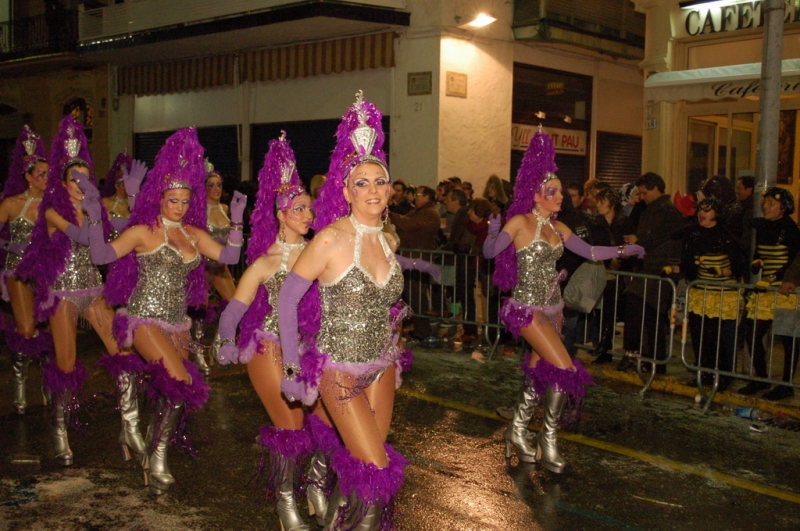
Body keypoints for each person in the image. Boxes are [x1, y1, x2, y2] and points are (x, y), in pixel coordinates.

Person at [80, 127, 247, 494]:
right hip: (141, 318)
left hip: (178, 324)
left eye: (185, 201)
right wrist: (94, 218)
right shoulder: (143, 231)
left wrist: (236, 220)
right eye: (173, 200)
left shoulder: (192, 233)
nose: (180, 207)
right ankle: (156, 458)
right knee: (180, 382)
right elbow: (101, 255)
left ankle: (148, 448)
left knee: (173, 393)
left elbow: (229, 255)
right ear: (159, 197)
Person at [277, 91, 408, 528]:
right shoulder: (330, 238)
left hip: (381, 367)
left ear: (390, 189)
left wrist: (395, 337)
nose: (372, 190)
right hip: (339, 370)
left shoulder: (388, 240)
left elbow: (386, 302)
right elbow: (287, 299)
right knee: (376, 470)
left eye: (379, 182)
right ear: (346, 190)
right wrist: (292, 368)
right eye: (362, 182)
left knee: (361, 471)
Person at [483, 129, 643, 473]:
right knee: (564, 368)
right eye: (552, 192)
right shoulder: (520, 222)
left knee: (539, 370)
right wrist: (493, 232)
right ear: (536, 195)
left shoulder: (558, 228)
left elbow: (591, 252)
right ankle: (548, 439)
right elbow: (491, 252)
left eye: (560, 192)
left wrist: (623, 250)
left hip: (553, 308)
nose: (560, 197)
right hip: (527, 309)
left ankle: (517, 430)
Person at [215, 132, 326, 530]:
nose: (308, 215)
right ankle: (285, 503)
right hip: (269, 348)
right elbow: (233, 311)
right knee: (291, 427)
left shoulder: (319, 250)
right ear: (280, 214)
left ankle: (315, 486)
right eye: (299, 209)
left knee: (328, 424)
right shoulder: (266, 261)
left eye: (309, 208)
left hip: (310, 349)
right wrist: (225, 339)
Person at [17, 115, 136, 467]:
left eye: (86, 177)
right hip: (63, 295)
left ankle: (129, 427)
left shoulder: (97, 207)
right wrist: (95, 210)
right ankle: (59, 431)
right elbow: (85, 237)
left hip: (94, 291)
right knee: (66, 365)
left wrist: (135, 196)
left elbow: (130, 226)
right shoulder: (53, 212)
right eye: (75, 178)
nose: (81, 184)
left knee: (124, 355)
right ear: (63, 183)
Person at [0, 125, 54, 415]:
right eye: (41, 174)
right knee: (26, 329)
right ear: (28, 176)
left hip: (45, 272)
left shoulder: (53, 206)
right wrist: (10, 246)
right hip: (18, 271)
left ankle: (46, 384)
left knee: (48, 330)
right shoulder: (11, 204)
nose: (46, 179)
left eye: (48, 174)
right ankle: (20, 387)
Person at [667, 198, 746, 392]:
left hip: (721, 295)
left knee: (719, 337)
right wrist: (674, 269)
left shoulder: (726, 237)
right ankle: (704, 372)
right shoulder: (693, 235)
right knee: (700, 335)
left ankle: (723, 376)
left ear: (716, 214)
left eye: (707, 210)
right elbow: (688, 264)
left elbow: (738, 266)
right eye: (700, 209)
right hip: (700, 293)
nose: (702, 213)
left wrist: (722, 271)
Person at [617, 172, 686, 374]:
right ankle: (649, 357)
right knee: (649, 315)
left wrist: (638, 242)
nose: (642, 197)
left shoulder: (665, 211)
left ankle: (648, 357)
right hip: (651, 268)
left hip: (658, 269)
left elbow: (657, 238)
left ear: (656, 189)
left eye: (644, 193)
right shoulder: (655, 210)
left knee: (648, 313)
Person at [740, 188, 800, 400]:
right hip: (766, 289)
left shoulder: (792, 230)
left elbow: (793, 262)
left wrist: (776, 278)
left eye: (771, 204)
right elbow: (759, 254)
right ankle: (761, 378)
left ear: (783, 208)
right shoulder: (763, 228)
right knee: (752, 333)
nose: (765, 206)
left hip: (785, 291)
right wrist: (757, 263)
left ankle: (786, 384)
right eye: (764, 203)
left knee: (788, 339)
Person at [190, 161, 237, 374]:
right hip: (202, 266)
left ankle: (219, 343)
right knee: (201, 309)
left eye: (219, 185)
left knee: (235, 304)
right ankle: (198, 351)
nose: (216, 189)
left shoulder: (225, 208)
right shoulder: (199, 210)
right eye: (211, 185)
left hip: (220, 265)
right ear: (204, 188)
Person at [591, 187, 635, 364]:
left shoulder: (625, 223)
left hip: (621, 273)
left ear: (612, 204)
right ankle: (605, 348)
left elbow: (631, 246)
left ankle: (620, 350)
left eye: (602, 201)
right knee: (603, 312)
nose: (598, 205)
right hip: (603, 271)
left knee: (617, 311)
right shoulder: (596, 223)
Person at [101, 151, 146, 237]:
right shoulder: (105, 202)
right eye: (124, 185)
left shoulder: (136, 203)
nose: (127, 188)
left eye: (130, 185)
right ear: (116, 186)